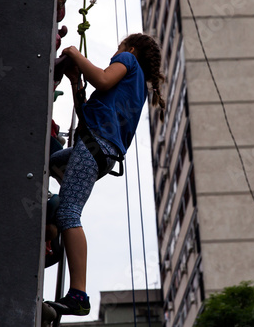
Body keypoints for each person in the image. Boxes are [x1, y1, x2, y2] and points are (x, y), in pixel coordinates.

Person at [46, 33, 165, 316]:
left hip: (94, 147)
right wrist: (76, 81)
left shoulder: (128, 61)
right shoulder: (133, 89)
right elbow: (87, 113)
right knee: (52, 162)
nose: (115, 55)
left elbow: (101, 79)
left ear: (131, 50)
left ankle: (78, 295)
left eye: (118, 49)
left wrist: (74, 53)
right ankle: (64, 196)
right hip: (100, 152)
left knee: (68, 214)